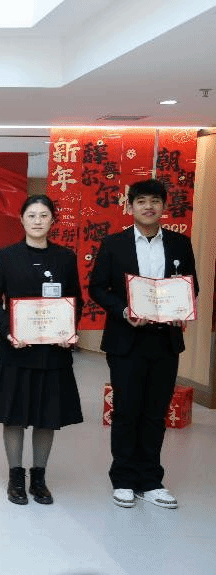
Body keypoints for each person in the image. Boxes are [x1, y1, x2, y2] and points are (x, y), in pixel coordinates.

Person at [89, 178, 198, 509]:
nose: (148, 207)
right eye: (141, 201)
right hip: (126, 340)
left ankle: (151, 480)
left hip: (165, 341)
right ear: (131, 207)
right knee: (126, 410)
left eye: (154, 201)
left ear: (164, 206)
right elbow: (98, 287)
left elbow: (191, 286)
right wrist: (125, 311)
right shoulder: (114, 244)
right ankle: (123, 478)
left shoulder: (180, 244)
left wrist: (180, 308)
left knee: (154, 412)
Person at [0, 194, 83, 505]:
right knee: (13, 416)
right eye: (31, 215)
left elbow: (75, 301)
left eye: (43, 215)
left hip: (53, 351)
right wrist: (9, 330)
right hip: (16, 349)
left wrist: (68, 331)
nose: (37, 221)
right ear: (22, 219)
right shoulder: (6, 256)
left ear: (53, 220)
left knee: (46, 416)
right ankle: (15, 476)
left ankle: (39, 477)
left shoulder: (65, 258)